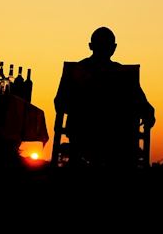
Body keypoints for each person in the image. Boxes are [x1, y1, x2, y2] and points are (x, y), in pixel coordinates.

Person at [54, 27, 155, 169]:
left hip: (82, 134)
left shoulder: (75, 71)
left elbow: (59, 103)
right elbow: (143, 105)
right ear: (114, 48)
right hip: (117, 139)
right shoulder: (124, 75)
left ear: (90, 46)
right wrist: (149, 114)